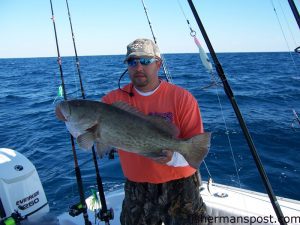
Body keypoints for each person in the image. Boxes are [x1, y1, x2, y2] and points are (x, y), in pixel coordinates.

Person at [102, 38, 209, 225]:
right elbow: (81, 120)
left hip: (181, 186)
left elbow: (196, 148)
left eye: (145, 61)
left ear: (158, 64)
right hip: (137, 188)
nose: (138, 67)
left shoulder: (182, 98)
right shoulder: (113, 100)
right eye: (132, 62)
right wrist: (67, 115)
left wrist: (174, 158)